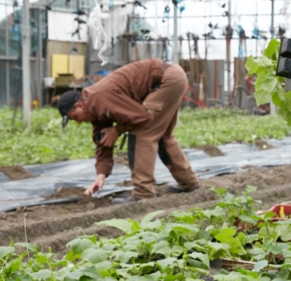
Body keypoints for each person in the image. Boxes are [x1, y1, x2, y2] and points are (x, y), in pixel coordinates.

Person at [57, 58, 200, 205]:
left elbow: (141, 117)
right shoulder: (93, 108)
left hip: (166, 79)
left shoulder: (99, 98)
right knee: (163, 136)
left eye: (76, 118)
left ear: (79, 105)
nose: (79, 122)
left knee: (142, 134)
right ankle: (189, 183)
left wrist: (117, 130)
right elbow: (103, 140)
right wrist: (101, 176)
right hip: (172, 76)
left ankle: (143, 193)